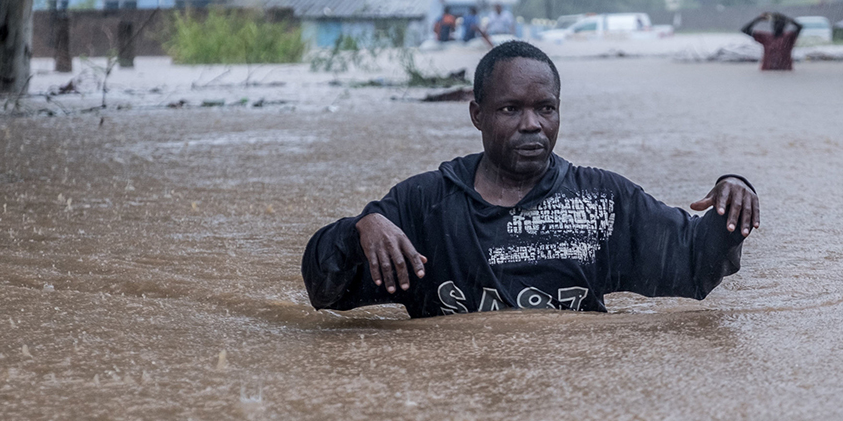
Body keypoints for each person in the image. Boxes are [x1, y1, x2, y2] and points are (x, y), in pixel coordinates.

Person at [302, 41, 760, 318]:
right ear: (477, 115)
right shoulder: (424, 204)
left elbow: (696, 263)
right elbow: (324, 289)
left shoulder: (601, 201)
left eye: (545, 108)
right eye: (510, 109)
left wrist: (733, 196)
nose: (532, 124)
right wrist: (359, 227)